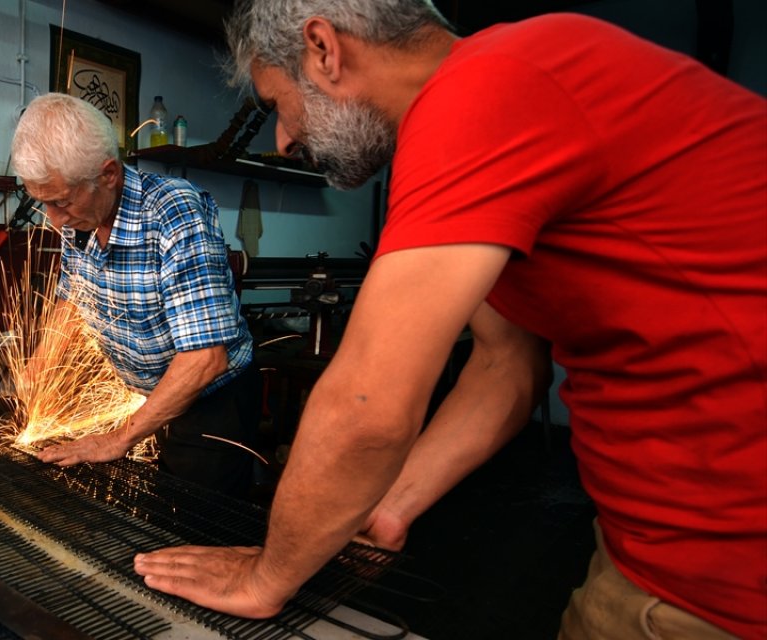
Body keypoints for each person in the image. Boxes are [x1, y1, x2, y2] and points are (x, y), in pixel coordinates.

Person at [132, 2, 767, 639]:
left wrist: (266, 578)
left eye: (277, 103)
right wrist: (387, 507)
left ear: (324, 49)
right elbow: (504, 364)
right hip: (651, 542)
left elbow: (367, 404)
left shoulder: (483, 91)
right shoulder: (500, 94)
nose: (284, 139)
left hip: (723, 564)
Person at [11, 92, 261, 498]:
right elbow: (74, 299)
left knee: (192, 530)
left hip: (213, 404)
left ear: (108, 174)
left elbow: (204, 359)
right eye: (43, 204)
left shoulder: (175, 214)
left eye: (60, 203)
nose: (54, 220)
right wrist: (38, 368)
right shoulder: (79, 215)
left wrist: (117, 439)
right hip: (152, 396)